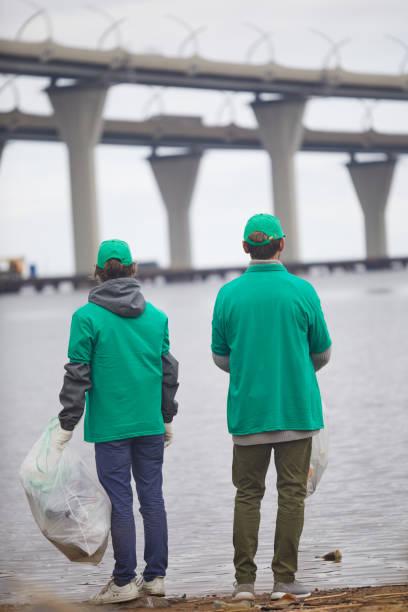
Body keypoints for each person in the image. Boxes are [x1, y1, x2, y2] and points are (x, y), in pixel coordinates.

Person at [211, 214, 331, 602]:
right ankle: (284, 580)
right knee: (291, 494)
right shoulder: (303, 290)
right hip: (296, 410)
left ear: (246, 247)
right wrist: (294, 368)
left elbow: (220, 358)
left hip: (248, 413)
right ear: (282, 244)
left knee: (247, 494)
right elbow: (323, 352)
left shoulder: (227, 294)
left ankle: (244, 583)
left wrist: (251, 370)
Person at [55, 239, 179, 604]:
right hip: (150, 424)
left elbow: (78, 373)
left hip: (110, 428)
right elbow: (168, 370)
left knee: (120, 503)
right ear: (132, 269)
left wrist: (67, 424)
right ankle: (155, 577)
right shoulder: (156, 316)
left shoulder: (86, 317)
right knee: (152, 499)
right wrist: (167, 416)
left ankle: (124, 580)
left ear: (97, 273)